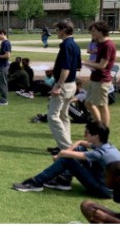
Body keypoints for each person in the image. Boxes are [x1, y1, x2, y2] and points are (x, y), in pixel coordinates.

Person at [13, 121, 120, 198]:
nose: (84, 134)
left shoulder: (99, 153)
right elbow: (80, 142)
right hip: (110, 185)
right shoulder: (107, 146)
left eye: (87, 132)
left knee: (67, 160)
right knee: (79, 149)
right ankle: (63, 181)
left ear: (96, 136)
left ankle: (35, 183)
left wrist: (58, 157)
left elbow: (64, 153)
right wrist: (67, 152)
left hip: (104, 190)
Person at [46, 20, 81, 152]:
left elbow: (66, 68)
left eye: (57, 30)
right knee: (63, 116)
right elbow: (76, 67)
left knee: (53, 116)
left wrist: (58, 85)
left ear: (64, 30)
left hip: (64, 85)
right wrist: (55, 70)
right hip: (71, 84)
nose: (56, 32)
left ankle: (66, 147)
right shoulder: (75, 45)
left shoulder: (66, 45)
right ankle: (64, 145)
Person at [82, 21, 116, 127]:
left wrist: (84, 62)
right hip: (95, 78)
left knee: (102, 105)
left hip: (102, 80)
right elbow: (96, 62)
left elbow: (102, 65)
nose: (91, 33)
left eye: (93, 31)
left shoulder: (108, 45)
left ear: (101, 31)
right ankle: (98, 125)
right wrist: (82, 61)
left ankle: (104, 130)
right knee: (88, 103)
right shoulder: (100, 44)